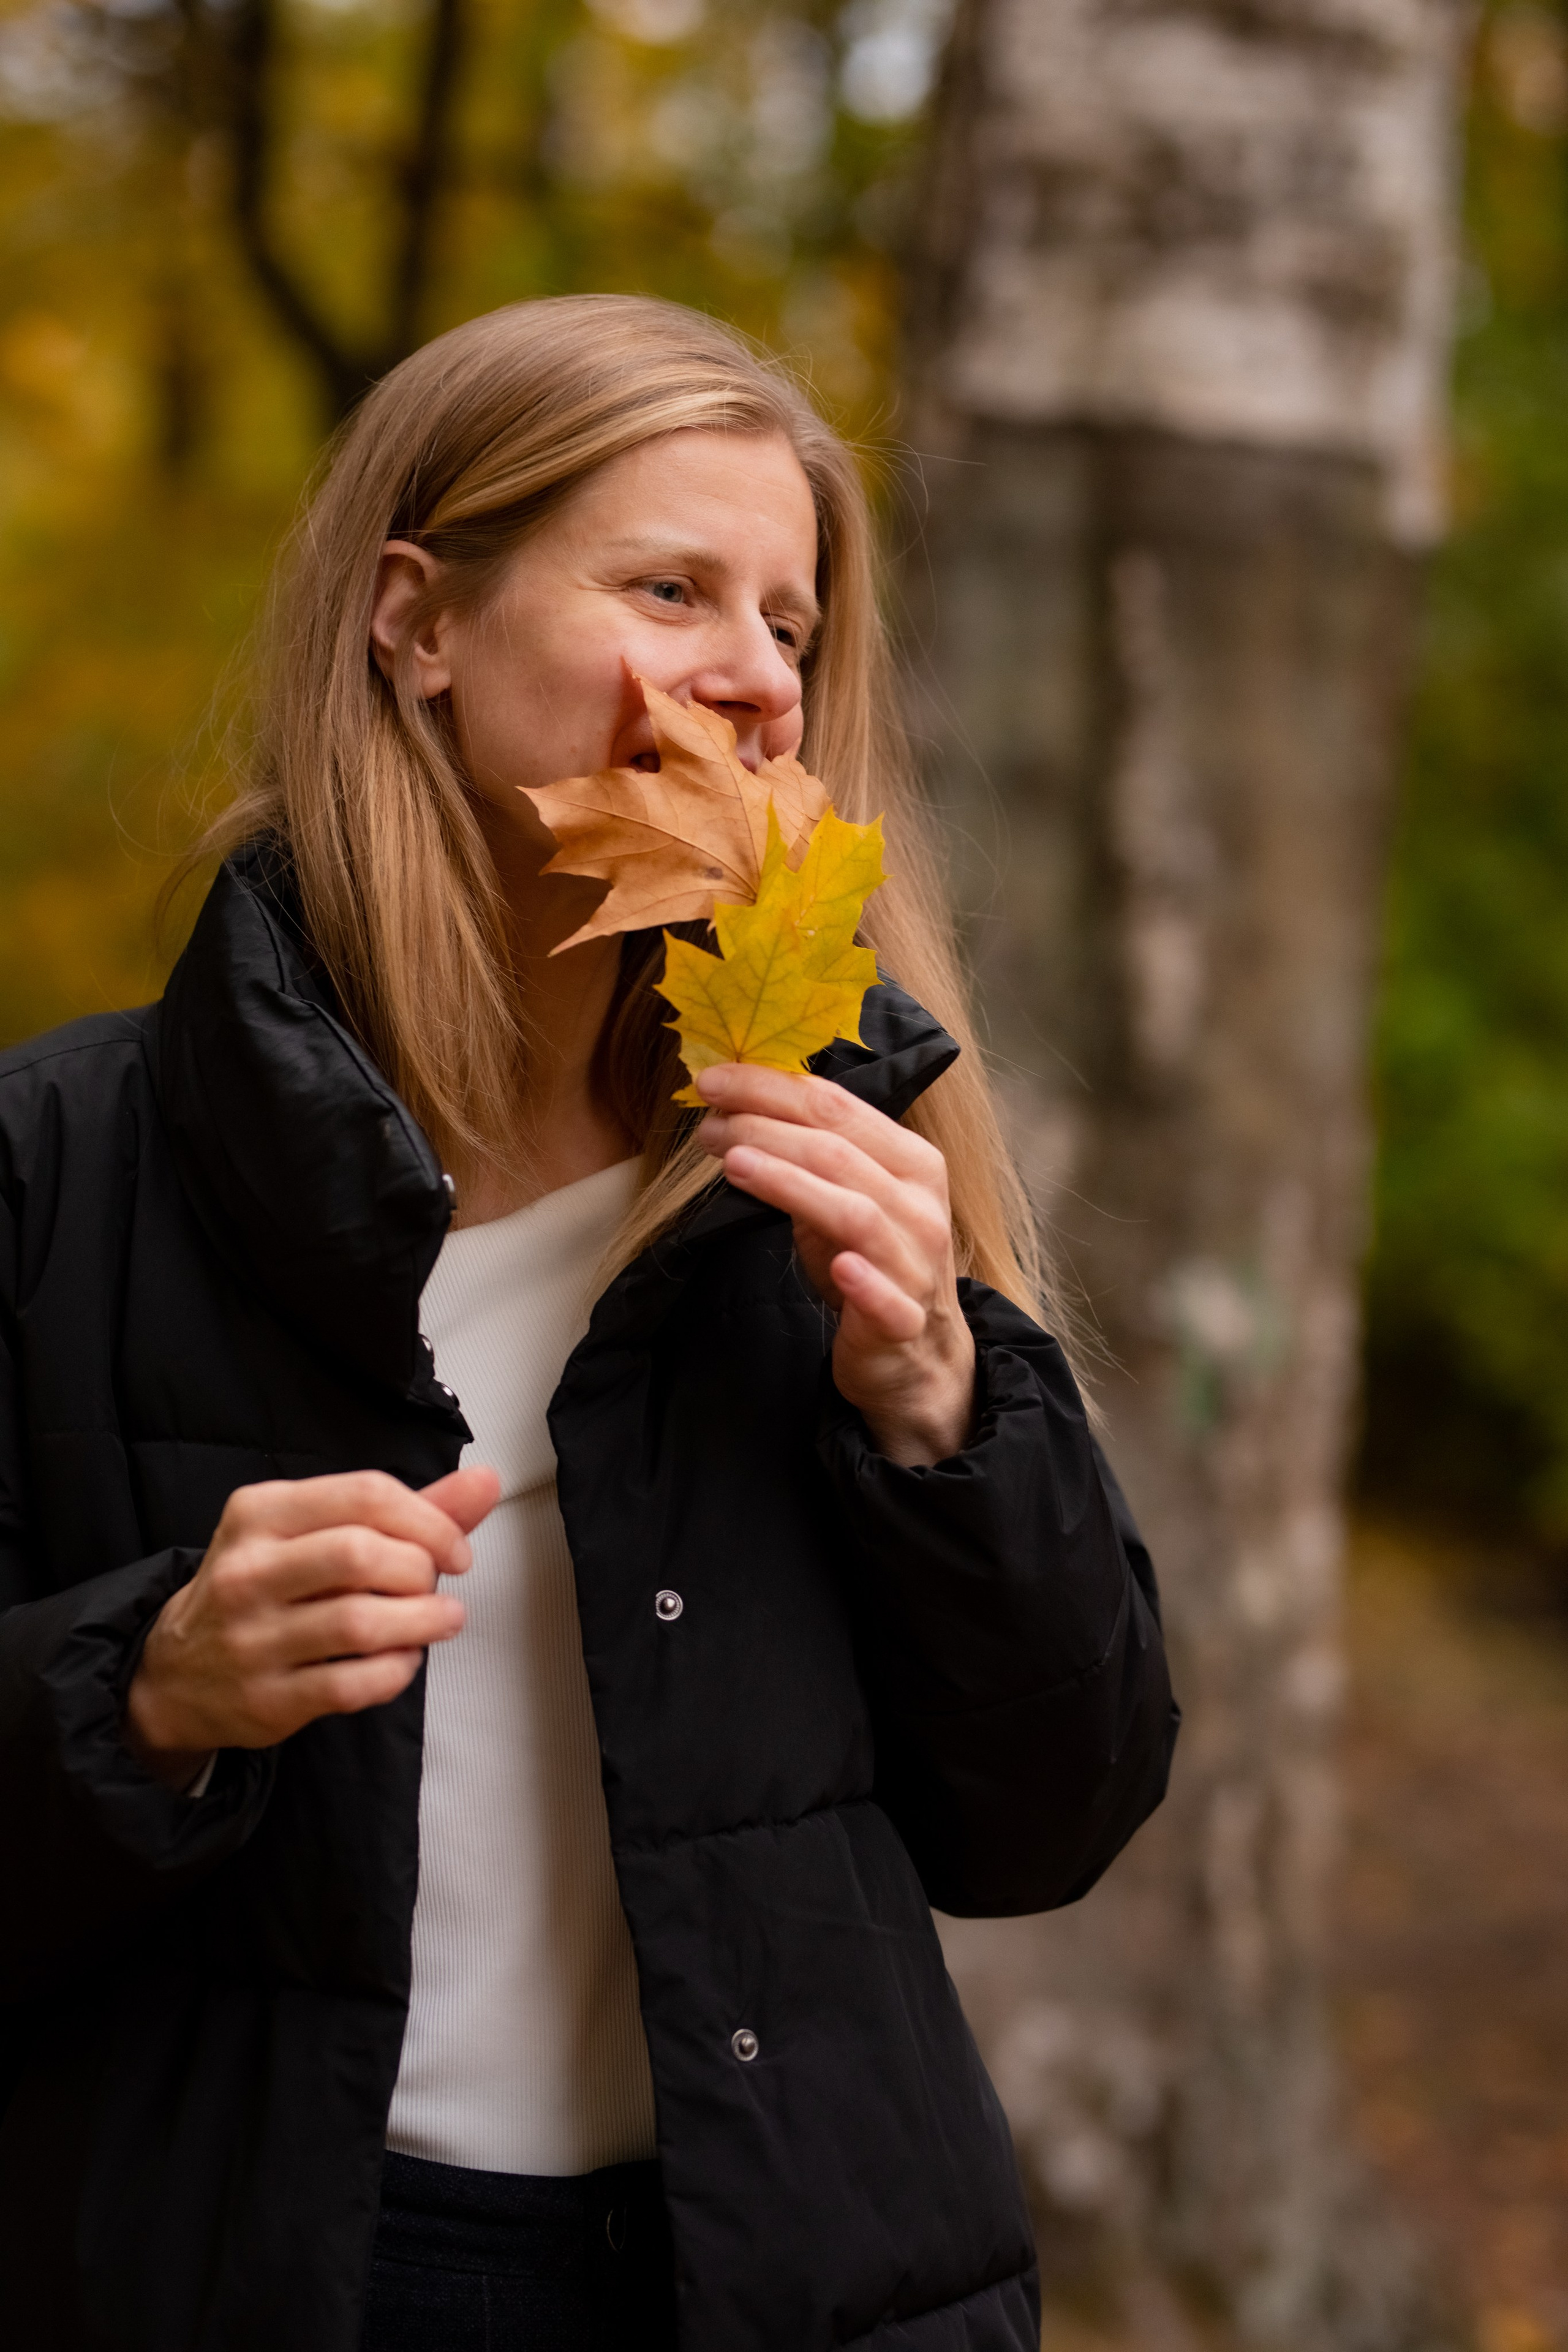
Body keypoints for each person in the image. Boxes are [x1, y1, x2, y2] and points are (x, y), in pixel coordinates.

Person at [0, 295, 1177, 2352]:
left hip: (782, 2279)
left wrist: (942, 1417)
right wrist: (146, 1692)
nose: (753, 682)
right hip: (262, 2265)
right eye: (669, 589)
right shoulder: (61, 1168)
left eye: (793, 626)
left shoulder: (836, 1148)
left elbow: (1056, 1813)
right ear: (417, 623)